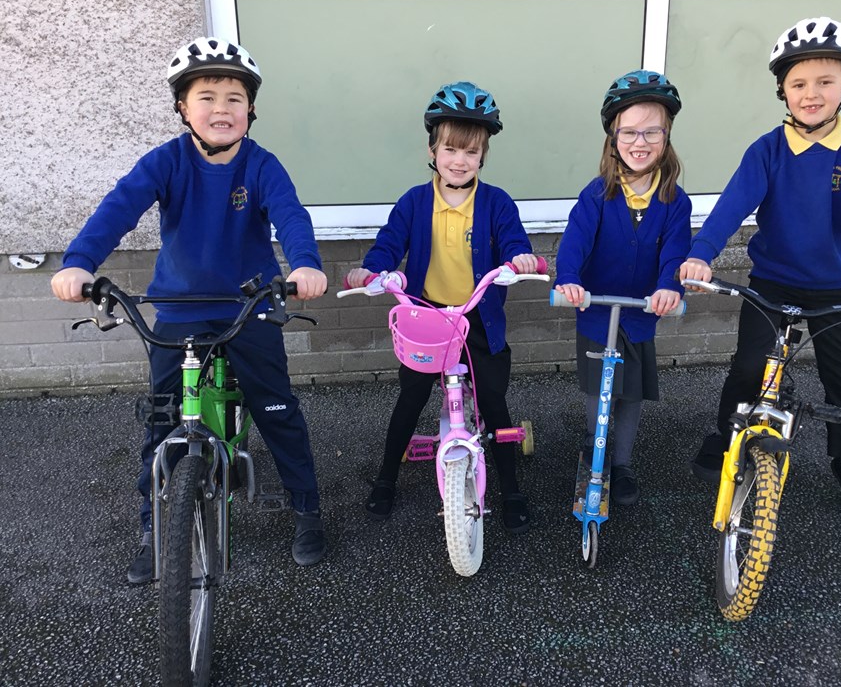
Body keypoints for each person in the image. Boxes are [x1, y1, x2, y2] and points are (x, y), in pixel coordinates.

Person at [51, 37, 330, 583]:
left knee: (277, 411)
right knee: (162, 421)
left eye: (234, 97)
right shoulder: (166, 161)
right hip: (178, 306)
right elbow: (118, 208)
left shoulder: (262, 165)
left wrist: (305, 264)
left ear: (251, 109)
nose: (221, 109)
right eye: (207, 96)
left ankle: (307, 512)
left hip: (248, 304)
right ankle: (154, 528)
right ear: (183, 107)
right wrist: (79, 262)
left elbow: (292, 217)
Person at [679, 17, 841, 523]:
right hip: (773, 280)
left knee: (840, 376)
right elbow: (731, 205)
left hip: (831, 284)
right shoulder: (768, 150)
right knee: (748, 364)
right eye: (799, 83)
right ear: (782, 89)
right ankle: (727, 435)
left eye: (826, 81)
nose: (811, 93)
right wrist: (701, 252)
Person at [346, 81, 538, 534]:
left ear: (483, 157)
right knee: (410, 397)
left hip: (478, 317)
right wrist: (374, 271)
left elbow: (514, 240)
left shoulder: (496, 202)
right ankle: (386, 478)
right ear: (432, 151)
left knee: (493, 401)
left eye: (471, 153)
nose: (459, 160)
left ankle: (510, 487)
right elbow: (388, 244)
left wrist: (520, 258)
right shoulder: (416, 202)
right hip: (429, 317)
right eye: (451, 149)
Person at [554, 70, 692, 506]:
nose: (640, 141)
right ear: (613, 137)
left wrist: (670, 287)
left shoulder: (674, 200)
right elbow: (573, 243)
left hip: (640, 314)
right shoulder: (596, 196)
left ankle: (623, 462)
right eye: (629, 131)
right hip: (597, 312)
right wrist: (569, 280)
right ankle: (596, 448)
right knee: (601, 391)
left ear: (666, 137)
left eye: (652, 131)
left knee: (630, 395)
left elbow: (675, 253)